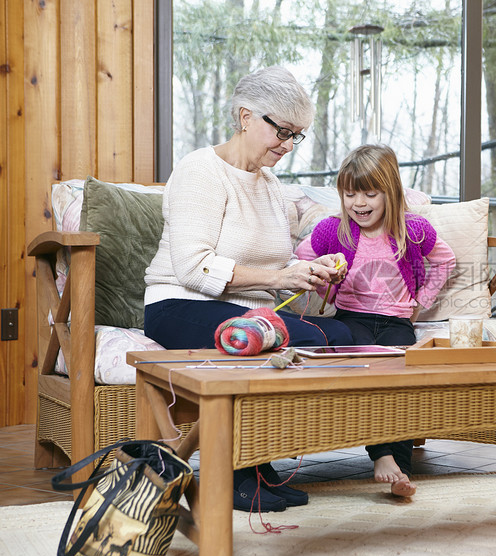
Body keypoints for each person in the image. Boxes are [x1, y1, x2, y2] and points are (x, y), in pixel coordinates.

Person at [143, 65, 351, 513]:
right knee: (277, 339)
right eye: (283, 131)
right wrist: (280, 278)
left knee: (340, 339)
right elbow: (193, 268)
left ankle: (259, 461)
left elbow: (276, 266)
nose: (289, 145)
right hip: (180, 303)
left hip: (251, 311)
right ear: (244, 117)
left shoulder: (271, 187)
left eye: (298, 135)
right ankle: (237, 470)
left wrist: (309, 269)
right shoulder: (200, 171)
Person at [295, 144, 455, 497]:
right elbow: (301, 259)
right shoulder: (331, 231)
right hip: (352, 320)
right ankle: (382, 455)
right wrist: (323, 272)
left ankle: (400, 473)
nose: (359, 203)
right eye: (350, 193)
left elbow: (446, 261)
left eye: (370, 193)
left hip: (397, 322)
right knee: (367, 372)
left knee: (400, 382)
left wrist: (420, 302)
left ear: (390, 193)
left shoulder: (413, 230)